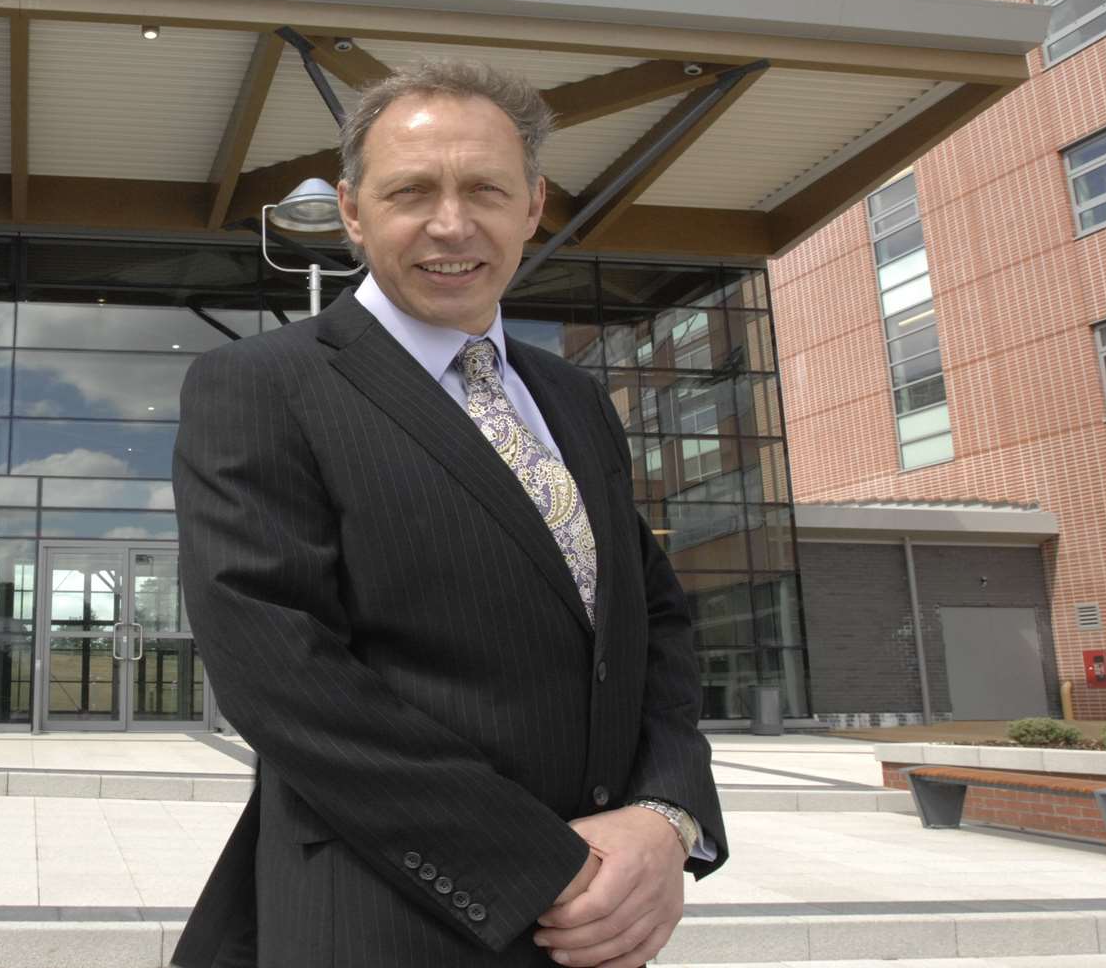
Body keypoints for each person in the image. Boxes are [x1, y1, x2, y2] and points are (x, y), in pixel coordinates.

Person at [169, 59, 726, 968]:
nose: (452, 224)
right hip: (385, 915)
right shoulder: (262, 385)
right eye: (412, 190)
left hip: (601, 924)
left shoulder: (575, 401)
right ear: (352, 211)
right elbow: (283, 675)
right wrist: (547, 867)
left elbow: (652, 620)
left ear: (534, 204)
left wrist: (667, 817)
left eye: (485, 190)